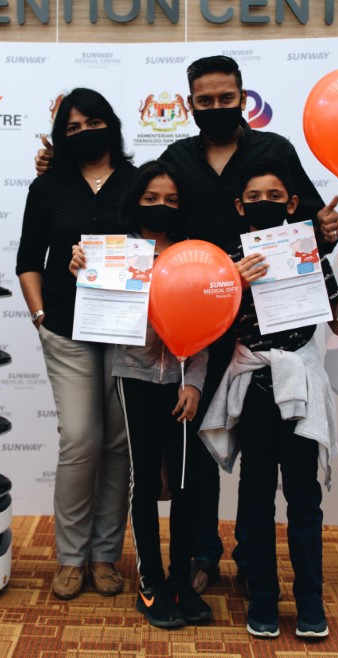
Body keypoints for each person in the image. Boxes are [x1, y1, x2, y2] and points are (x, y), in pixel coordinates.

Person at [34, 55, 338, 593]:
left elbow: (311, 227)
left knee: (257, 448)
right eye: (206, 101)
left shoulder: (276, 152)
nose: (217, 108)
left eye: (227, 99)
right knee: (194, 445)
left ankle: (253, 563)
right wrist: (55, 165)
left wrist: (330, 231)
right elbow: (140, 200)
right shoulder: (176, 157)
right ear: (190, 104)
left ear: (243, 97)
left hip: (255, 321)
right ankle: (201, 554)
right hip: (192, 319)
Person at [200, 157, 338, 639]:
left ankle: (311, 599)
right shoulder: (227, 263)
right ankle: (264, 596)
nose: (263, 203)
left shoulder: (309, 255)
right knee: (255, 494)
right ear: (238, 205)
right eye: (254, 197)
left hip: (299, 389)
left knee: (305, 499)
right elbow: (208, 327)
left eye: (274, 197)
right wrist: (233, 285)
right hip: (254, 388)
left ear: (292, 204)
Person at [69, 161, 213, 629]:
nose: (162, 206)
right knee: (146, 483)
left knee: (189, 486)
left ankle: (178, 581)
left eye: (171, 199)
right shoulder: (117, 252)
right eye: (152, 198)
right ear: (136, 200)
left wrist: (194, 382)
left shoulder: (194, 254)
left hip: (182, 383)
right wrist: (83, 270)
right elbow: (98, 308)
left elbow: (205, 323)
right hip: (134, 377)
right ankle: (151, 583)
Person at [16, 87, 134, 600]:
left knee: (117, 444)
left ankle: (106, 555)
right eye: (73, 127)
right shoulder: (47, 187)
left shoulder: (139, 182)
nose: (85, 132)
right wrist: (40, 315)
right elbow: (27, 258)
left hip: (129, 332)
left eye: (93, 122)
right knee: (82, 439)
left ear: (111, 123)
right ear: (62, 137)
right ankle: (70, 557)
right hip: (65, 329)